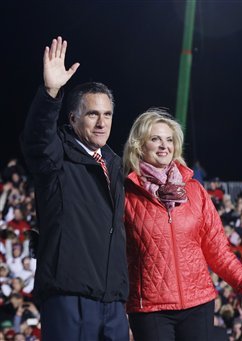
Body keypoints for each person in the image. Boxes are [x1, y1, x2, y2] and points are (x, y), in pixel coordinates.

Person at [122, 109, 242, 340]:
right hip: (150, 310)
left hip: (198, 304)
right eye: (155, 139)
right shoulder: (126, 195)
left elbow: (219, 252)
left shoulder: (195, 191)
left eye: (169, 139)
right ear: (140, 145)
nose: (164, 145)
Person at [20, 36, 129, 340]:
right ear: (73, 118)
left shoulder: (116, 165)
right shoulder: (57, 157)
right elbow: (37, 139)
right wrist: (51, 93)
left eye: (107, 114)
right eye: (93, 114)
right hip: (69, 295)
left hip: (113, 300)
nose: (101, 122)